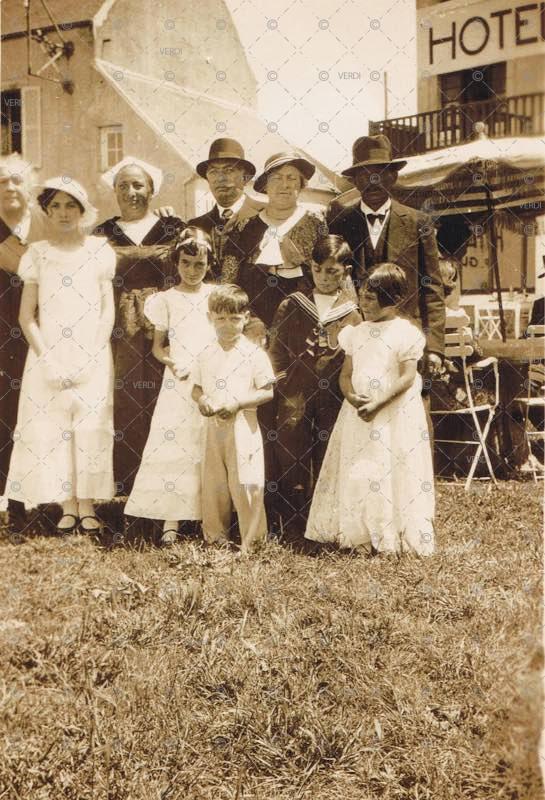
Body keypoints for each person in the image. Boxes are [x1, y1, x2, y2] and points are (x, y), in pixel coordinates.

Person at [3, 177, 116, 533]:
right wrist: (48, 360)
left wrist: (92, 355)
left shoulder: (99, 250)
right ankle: (66, 503)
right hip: (48, 353)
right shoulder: (37, 254)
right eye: (56, 206)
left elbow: (107, 312)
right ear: (47, 212)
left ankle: (87, 504)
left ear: (82, 211)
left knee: (90, 426)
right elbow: (26, 316)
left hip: (92, 351)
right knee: (54, 427)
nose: (64, 213)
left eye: (71, 206)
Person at [305, 263, 435, 555]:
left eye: (371, 299)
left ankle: (392, 532)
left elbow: (407, 377)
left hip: (392, 413)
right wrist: (352, 398)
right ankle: (359, 533)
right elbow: (345, 374)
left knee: (389, 468)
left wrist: (379, 402)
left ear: (393, 300)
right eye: (362, 296)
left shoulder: (404, 333)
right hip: (359, 413)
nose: (363, 304)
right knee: (362, 469)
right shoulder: (356, 333)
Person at [93, 157, 186, 501]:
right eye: (123, 186)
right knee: (126, 398)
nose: (131, 192)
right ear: (114, 191)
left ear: (152, 189)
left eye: (138, 185)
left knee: (166, 397)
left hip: (166, 321)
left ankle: (168, 482)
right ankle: (128, 483)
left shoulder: (172, 227)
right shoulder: (102, 233)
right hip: (119, 325)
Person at [124, 228, 216, 545]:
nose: (192, 270)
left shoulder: (215, 296)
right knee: (176, 443)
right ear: (176, 262)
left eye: (199, 264)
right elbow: (158, 347)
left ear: (209, 264)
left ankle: (209, 516)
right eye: (186, 263)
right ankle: (171, 518)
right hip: (179, 378)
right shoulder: (165, 299)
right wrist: (174, 363)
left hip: (211, 375)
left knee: (207, 442)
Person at [327, 134, 445, 375]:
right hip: (357, 338)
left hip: (405, 338)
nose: (372, 182)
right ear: (354, 181)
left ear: (393, 177)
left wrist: (434, 348)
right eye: (364, 176)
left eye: (379, 174)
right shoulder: (340, 223)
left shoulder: (418, 222)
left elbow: (432, 287)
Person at [268, 234, 361, 540]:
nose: (323, 277)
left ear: (346, 272)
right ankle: (291, 523)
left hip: (332, 394)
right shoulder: (293, 304)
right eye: (318, 270)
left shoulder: (351, 313)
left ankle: (322, 523)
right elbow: (276, 350)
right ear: (311, 267)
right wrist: (282, 381)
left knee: (327, 451)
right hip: (295, 391)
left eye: (332, 272)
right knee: (291, 448)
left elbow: (355, 355)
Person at [191, 284, 275, 553]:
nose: (227, 325)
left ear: (246, 317)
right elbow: (196, 388)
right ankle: (215, 537)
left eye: (234, 318)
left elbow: (267, 391)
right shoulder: (205, 353)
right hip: (213, 425)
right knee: (214, 482)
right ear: (210, 318)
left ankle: (253, 539)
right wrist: (203, 400)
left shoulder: (254, 354)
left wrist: (238, 403)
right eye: (221, 319)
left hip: (243, 425)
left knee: (247, 481)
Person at [225, 151, 322, 327]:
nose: (284, 184)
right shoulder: (245, 227)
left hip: (305, 322)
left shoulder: (316, 223)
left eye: (291, 178)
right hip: (252, 322)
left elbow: (333, 270)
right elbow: (228, 282)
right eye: (276, 178)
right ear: (265, 186)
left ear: (301, 185)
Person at [0, 155, 40, 535]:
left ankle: (37, 495)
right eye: (1, 182)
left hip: (40, 335)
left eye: (16, 180)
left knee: (35, 415)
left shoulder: (48, 228)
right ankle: (7, 500)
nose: (9, 187)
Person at [189, 138, 257, 278]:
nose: (220, 178)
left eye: (229, 170)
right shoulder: (196, 226)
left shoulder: (266, 215)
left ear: (245, 177)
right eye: (213, 172)